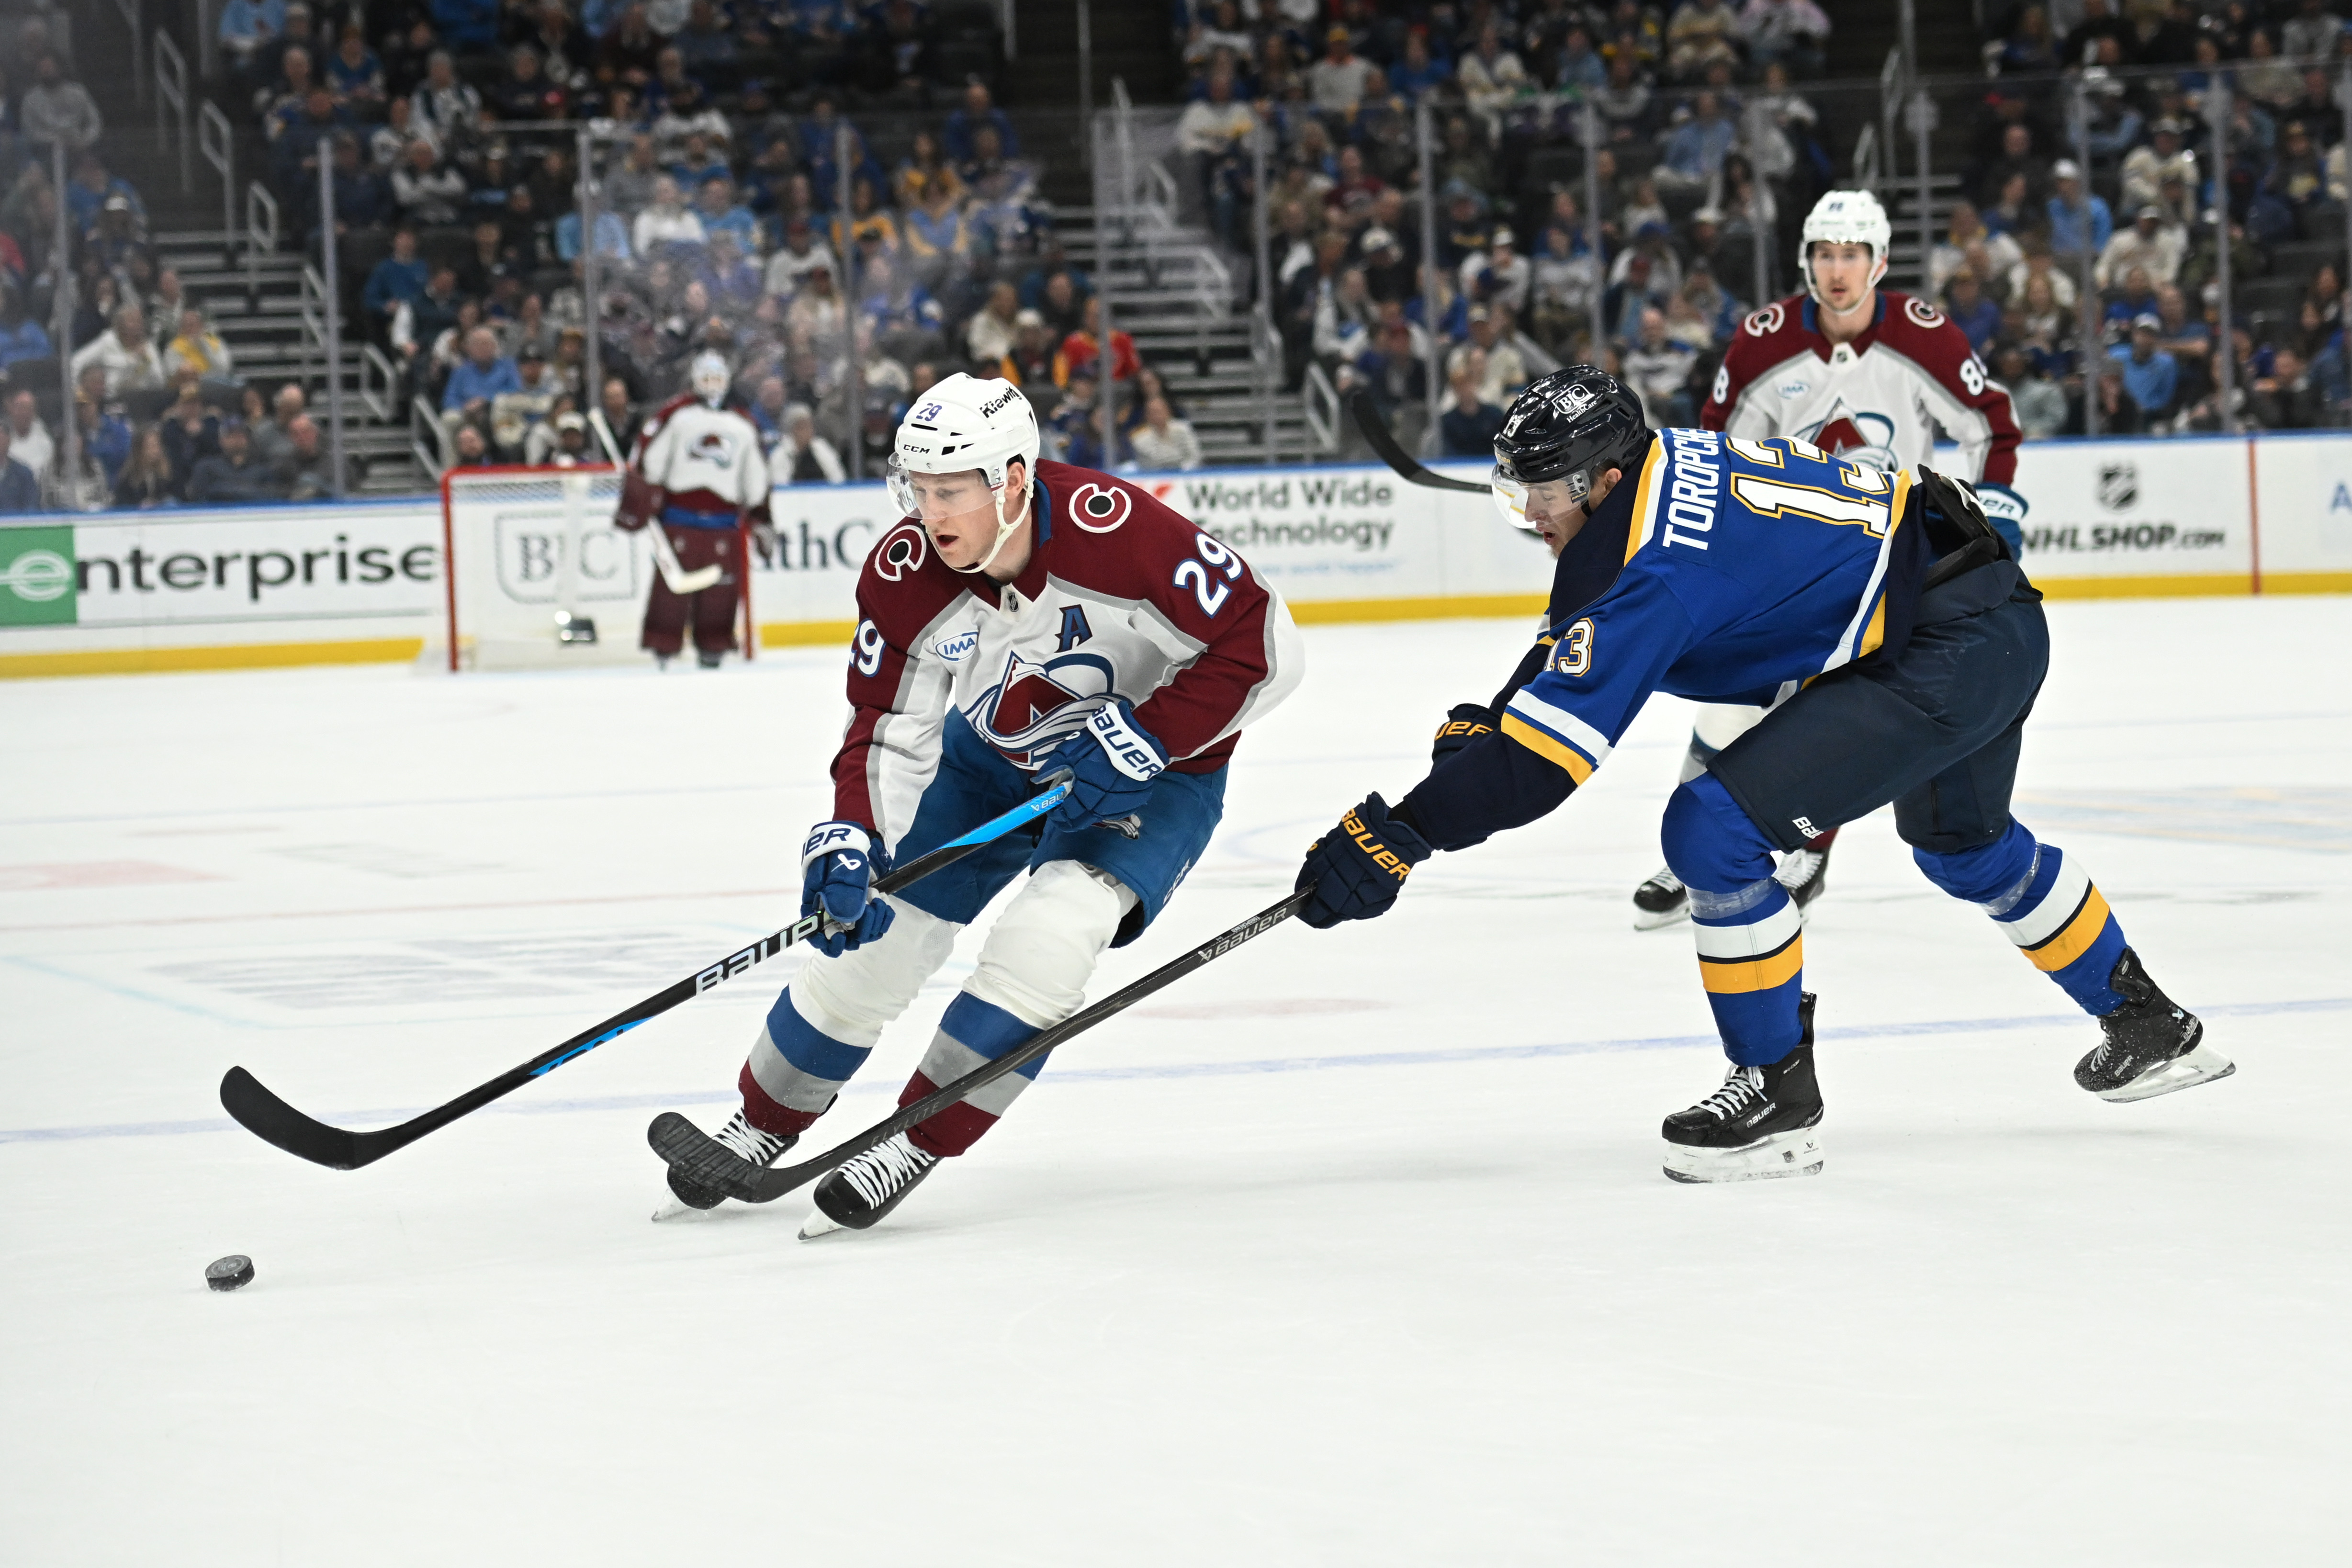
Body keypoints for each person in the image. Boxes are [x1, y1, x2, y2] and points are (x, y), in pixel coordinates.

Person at [1294, 367, 2231, 1184]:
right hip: (1980, 614)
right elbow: (1571, 619)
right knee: (1962, 846)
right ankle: (2146, 1022)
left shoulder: (1656, 565)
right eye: (1517, 493)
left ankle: (1775, 1087)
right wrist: (1496, 716)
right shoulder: (1653, 475)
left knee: (1709, 829)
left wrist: (1395, 832)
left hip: (1944, 643)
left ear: (1605, 477)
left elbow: (1543, 764)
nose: (1528, 516)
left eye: (1541, 493)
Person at [651, 372, 1305, 1236]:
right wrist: (854, 832)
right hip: (991, 758)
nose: (931, 514)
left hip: (1156, 773)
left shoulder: (1121, 535)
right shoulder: (906, 569)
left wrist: (1152, 735)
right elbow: (888, 721)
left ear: (1014, 479)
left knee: (1050, 938)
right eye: (917, 490)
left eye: (951, 492)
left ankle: (915, 1141)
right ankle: (761, 1123)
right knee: (877, 934)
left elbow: (1263, 645)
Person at [1620, 189, 2030, 930]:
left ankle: (1805, 848)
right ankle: (1692, 851)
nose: (1837, 270)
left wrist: (1989, 510)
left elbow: (1992, 429)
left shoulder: (1925, 336)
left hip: (1895, 557)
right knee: (1734, 693)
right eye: (1824, 254)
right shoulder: (1762, 341)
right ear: (1806, 260)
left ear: (1877, 262)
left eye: (1852, 255)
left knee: (1839, 703)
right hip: (1792, 551)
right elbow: (1721, 448)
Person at [614, 352, 769, 668]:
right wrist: (641, 500)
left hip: (723, 522)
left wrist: (762, 516)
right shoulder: (678, 417)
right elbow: (652, 462)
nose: (712, 385)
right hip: (678, 518)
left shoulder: (742, 425)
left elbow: (756, 479)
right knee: (670, 589)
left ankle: (713, 645)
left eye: (717, 378)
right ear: (695, 380)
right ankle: (664, 644)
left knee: (721, 590)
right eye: (706, 378)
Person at [0, 424, 40, 514]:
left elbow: (31, 505)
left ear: (9, 440)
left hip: (17, 524)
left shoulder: (23, 473)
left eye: (2, 437)